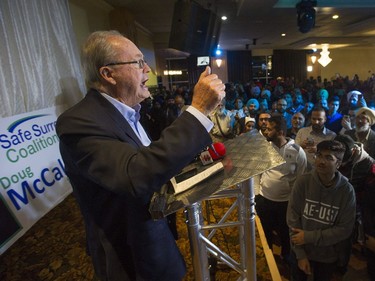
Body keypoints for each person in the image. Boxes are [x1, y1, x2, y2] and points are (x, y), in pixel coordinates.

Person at [56, 30, 225, 281]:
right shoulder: (78, 122)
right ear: (108, 74)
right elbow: (136, 174)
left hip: (156, 242)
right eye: (138, 62)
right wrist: (198, 110)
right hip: (129, 258)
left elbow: (152, 160)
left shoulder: (130, 111)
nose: (149, 70)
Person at [287, 140, 356, 281]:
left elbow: (345, 229)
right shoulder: (303, 182)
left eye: (328, 158)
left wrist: (308, 236)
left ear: (338, 164)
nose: (321, 161)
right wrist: (300, 255)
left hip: (327, 255)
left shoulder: (346, 191)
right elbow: (292, 219)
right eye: (319, 155)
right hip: (301, 249)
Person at [256, 116, 307, 264]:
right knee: (266, 231)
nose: (266, 132)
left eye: (270, 129)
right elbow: (257, 172)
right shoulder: (264, 148)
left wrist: (294, 200)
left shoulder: (297, 151)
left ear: (281, 132)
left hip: (286, 202)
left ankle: (286, 254)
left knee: (285, 231)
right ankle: (268, 254)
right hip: (265, 199)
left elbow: (301, 177)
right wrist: (256, 194)